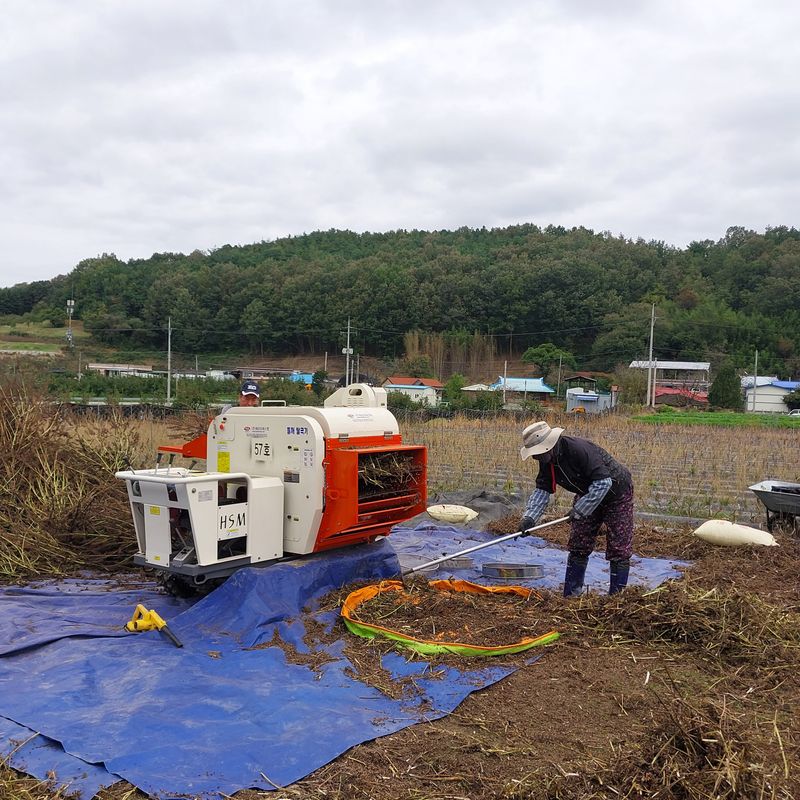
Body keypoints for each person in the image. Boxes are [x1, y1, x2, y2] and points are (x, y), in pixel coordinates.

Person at [518, 421, 634, 597]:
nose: (535, 458)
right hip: (587, 493)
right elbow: (542, 489)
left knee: (619, 547)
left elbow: (604, 482)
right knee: (579, 543)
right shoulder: (547, 461)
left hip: (616, 494)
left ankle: (617, 598)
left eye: (537, 453)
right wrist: (529, 518)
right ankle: (572, 595)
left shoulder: (579, 450)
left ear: (549, 446)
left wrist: (580, 509)